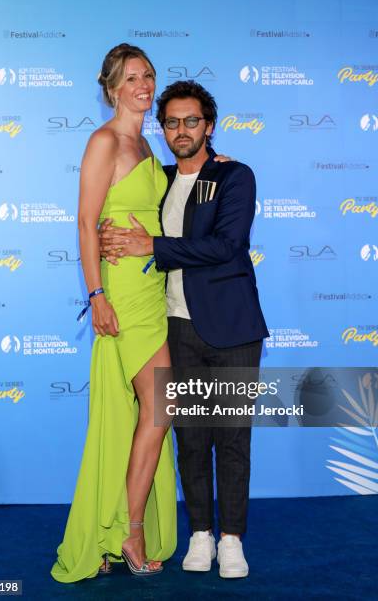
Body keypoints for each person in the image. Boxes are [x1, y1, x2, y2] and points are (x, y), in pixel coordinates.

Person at [100, 80, 269, 579]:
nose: (181, 130)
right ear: (164, 128)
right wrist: (111, 237)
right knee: (191, 438)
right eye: (171, 122)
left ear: (208, 126)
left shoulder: (236, 176)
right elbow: (118, 207)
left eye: (191, 121)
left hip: (233, 329)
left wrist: (150, 246)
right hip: (176, 328)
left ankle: (232, 539)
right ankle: (199, 534)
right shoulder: (161, 177)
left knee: (233, 437)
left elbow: (225, 245)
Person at [50, 43, 178, 581]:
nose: (143, 85)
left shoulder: (147, 143)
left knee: (147, 413)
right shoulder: (104, 141)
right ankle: (127, 530)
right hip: (122, 294)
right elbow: (85, 223)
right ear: (111, 90)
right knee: (161, 406)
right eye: (131, 78)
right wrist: (96, 295)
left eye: (148, 75)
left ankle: (115, 527)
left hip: (152, 291)